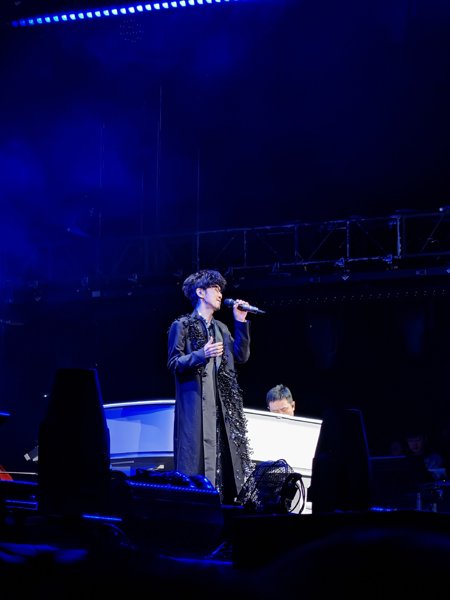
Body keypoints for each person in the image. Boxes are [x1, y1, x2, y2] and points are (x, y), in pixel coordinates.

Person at [167, 269, 254, 504]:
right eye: (215, 288)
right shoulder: (181, 325)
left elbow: (241, 356)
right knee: (195, 467)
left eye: (220, 289)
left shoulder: (221, 329)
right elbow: (174, 363)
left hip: (221, 410)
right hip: (196, 409)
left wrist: (240, 322)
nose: (220, 293)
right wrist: (201, 354)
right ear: (200, 292)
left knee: (225, 468)